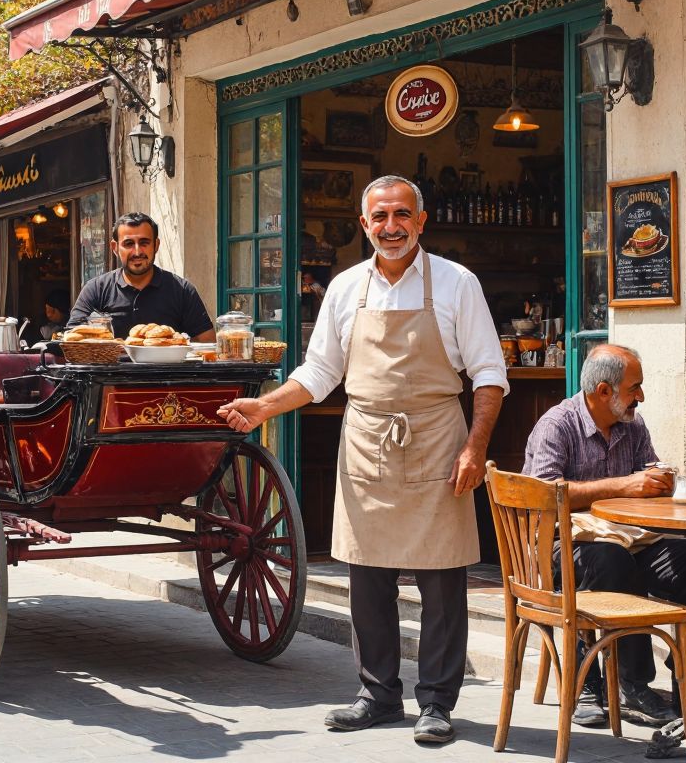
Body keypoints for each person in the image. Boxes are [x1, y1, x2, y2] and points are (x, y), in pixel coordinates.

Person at [217, 175, 507, 745]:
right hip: (367, 438)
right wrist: (264, 408)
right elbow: (320, 374)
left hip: (437, 439)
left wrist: (475, 447)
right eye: (380, 217)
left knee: (442, 579)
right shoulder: (346, 288)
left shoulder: (456, 283)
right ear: (364, 224)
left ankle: (437, 703)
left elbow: (489, 374)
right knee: (366, 576)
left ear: (421, 221)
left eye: (402, 215)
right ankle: (377, 694)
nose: (391, 227)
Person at [521, 345, 686, 727]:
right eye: (634, 389)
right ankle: (610, 684)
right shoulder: (557, 425)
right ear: (603, 392)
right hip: (562, 545)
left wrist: (660, 480)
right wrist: (624, 485)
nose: (641, 398)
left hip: (629, 539)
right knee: (610, 561)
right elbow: (546, 494)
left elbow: (645, 476)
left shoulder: (633, 425)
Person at [66, 213, 217, 342]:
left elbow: (207, 343)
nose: (137, 252)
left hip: (166, 375)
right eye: (129, 244)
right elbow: (72, 338)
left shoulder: (182, 290)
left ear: (156, 245)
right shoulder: (96, 289)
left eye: (144, 243)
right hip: (108, 375)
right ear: (115, 248)